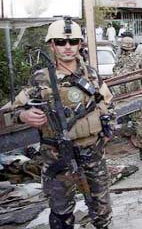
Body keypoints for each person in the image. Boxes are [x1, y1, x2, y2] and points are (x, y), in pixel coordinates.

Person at [11, 19, 113, 229]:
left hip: (92, 153)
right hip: (57, 154)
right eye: (60, 42)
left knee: (101, 210)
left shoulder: (91, 75)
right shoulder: (40, 79)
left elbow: (108, 103)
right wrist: (24, 115)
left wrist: (106, 124)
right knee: (61, 213)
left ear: (79, 44)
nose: (67, 47)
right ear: (52, 45)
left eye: (73, 41)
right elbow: (13, 111)